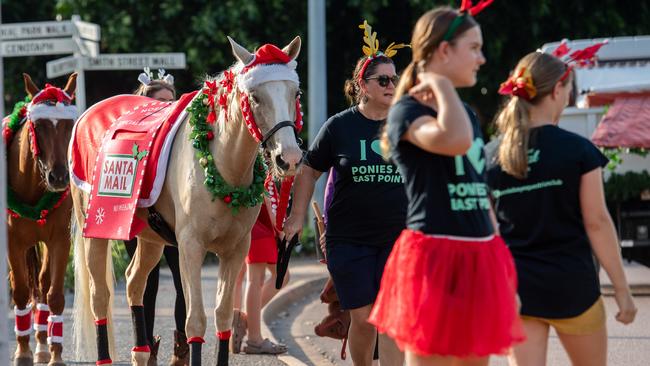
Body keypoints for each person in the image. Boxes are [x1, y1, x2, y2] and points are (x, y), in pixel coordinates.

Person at [367, 4, 525, 366]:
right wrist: (438, 83)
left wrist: (503, 271)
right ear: (443, 51)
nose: (482, 58)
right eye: (474, 47)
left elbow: (480, 189)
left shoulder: (462, 111)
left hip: (480, 253)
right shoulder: (408, 111)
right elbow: (452, 141)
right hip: (435, 257)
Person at [485, 49, 637, 366]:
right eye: (568, 90)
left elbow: (488, 231)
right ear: (557, 90)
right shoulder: (578, 149)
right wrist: (621, 289)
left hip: (518, 290)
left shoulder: (490, 155)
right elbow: (597, 222)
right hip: (574, 287)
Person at [284, 21, 407, 366]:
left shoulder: (407, 124)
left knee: (392, 320)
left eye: (395, 78)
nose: (391, 85)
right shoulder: (340, 126)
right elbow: (308, 170)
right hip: (348, 240)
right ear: (362, 86)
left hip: (399, 239)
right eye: (383, 79)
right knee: (366, 317)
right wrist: (296, 218)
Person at [124, 67, 188, 366]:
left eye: (172, 102)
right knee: (145, 282)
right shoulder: (135, 134)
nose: (168, 108)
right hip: (141, 217)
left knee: (183, 282)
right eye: (160, 102)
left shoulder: (183, 140)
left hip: (178, 220)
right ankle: (146, 347)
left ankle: (182, 350)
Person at [231, 197, 289, 355]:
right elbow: (266, 193)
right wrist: (280, 228)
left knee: (244, 277)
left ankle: (240, 322)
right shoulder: (264, 171)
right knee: (256, 279)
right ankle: (254, 339)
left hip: (247, 217)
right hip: (259, 221)